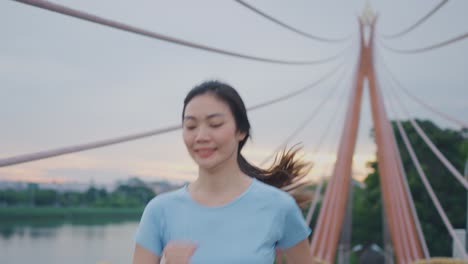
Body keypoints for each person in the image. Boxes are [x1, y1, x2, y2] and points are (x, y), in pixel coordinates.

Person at [132, 80, 314, 264]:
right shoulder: (159, 211)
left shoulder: (279, 206)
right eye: (191, 126)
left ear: (241, 131)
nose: (201, 136)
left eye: (215, 124)